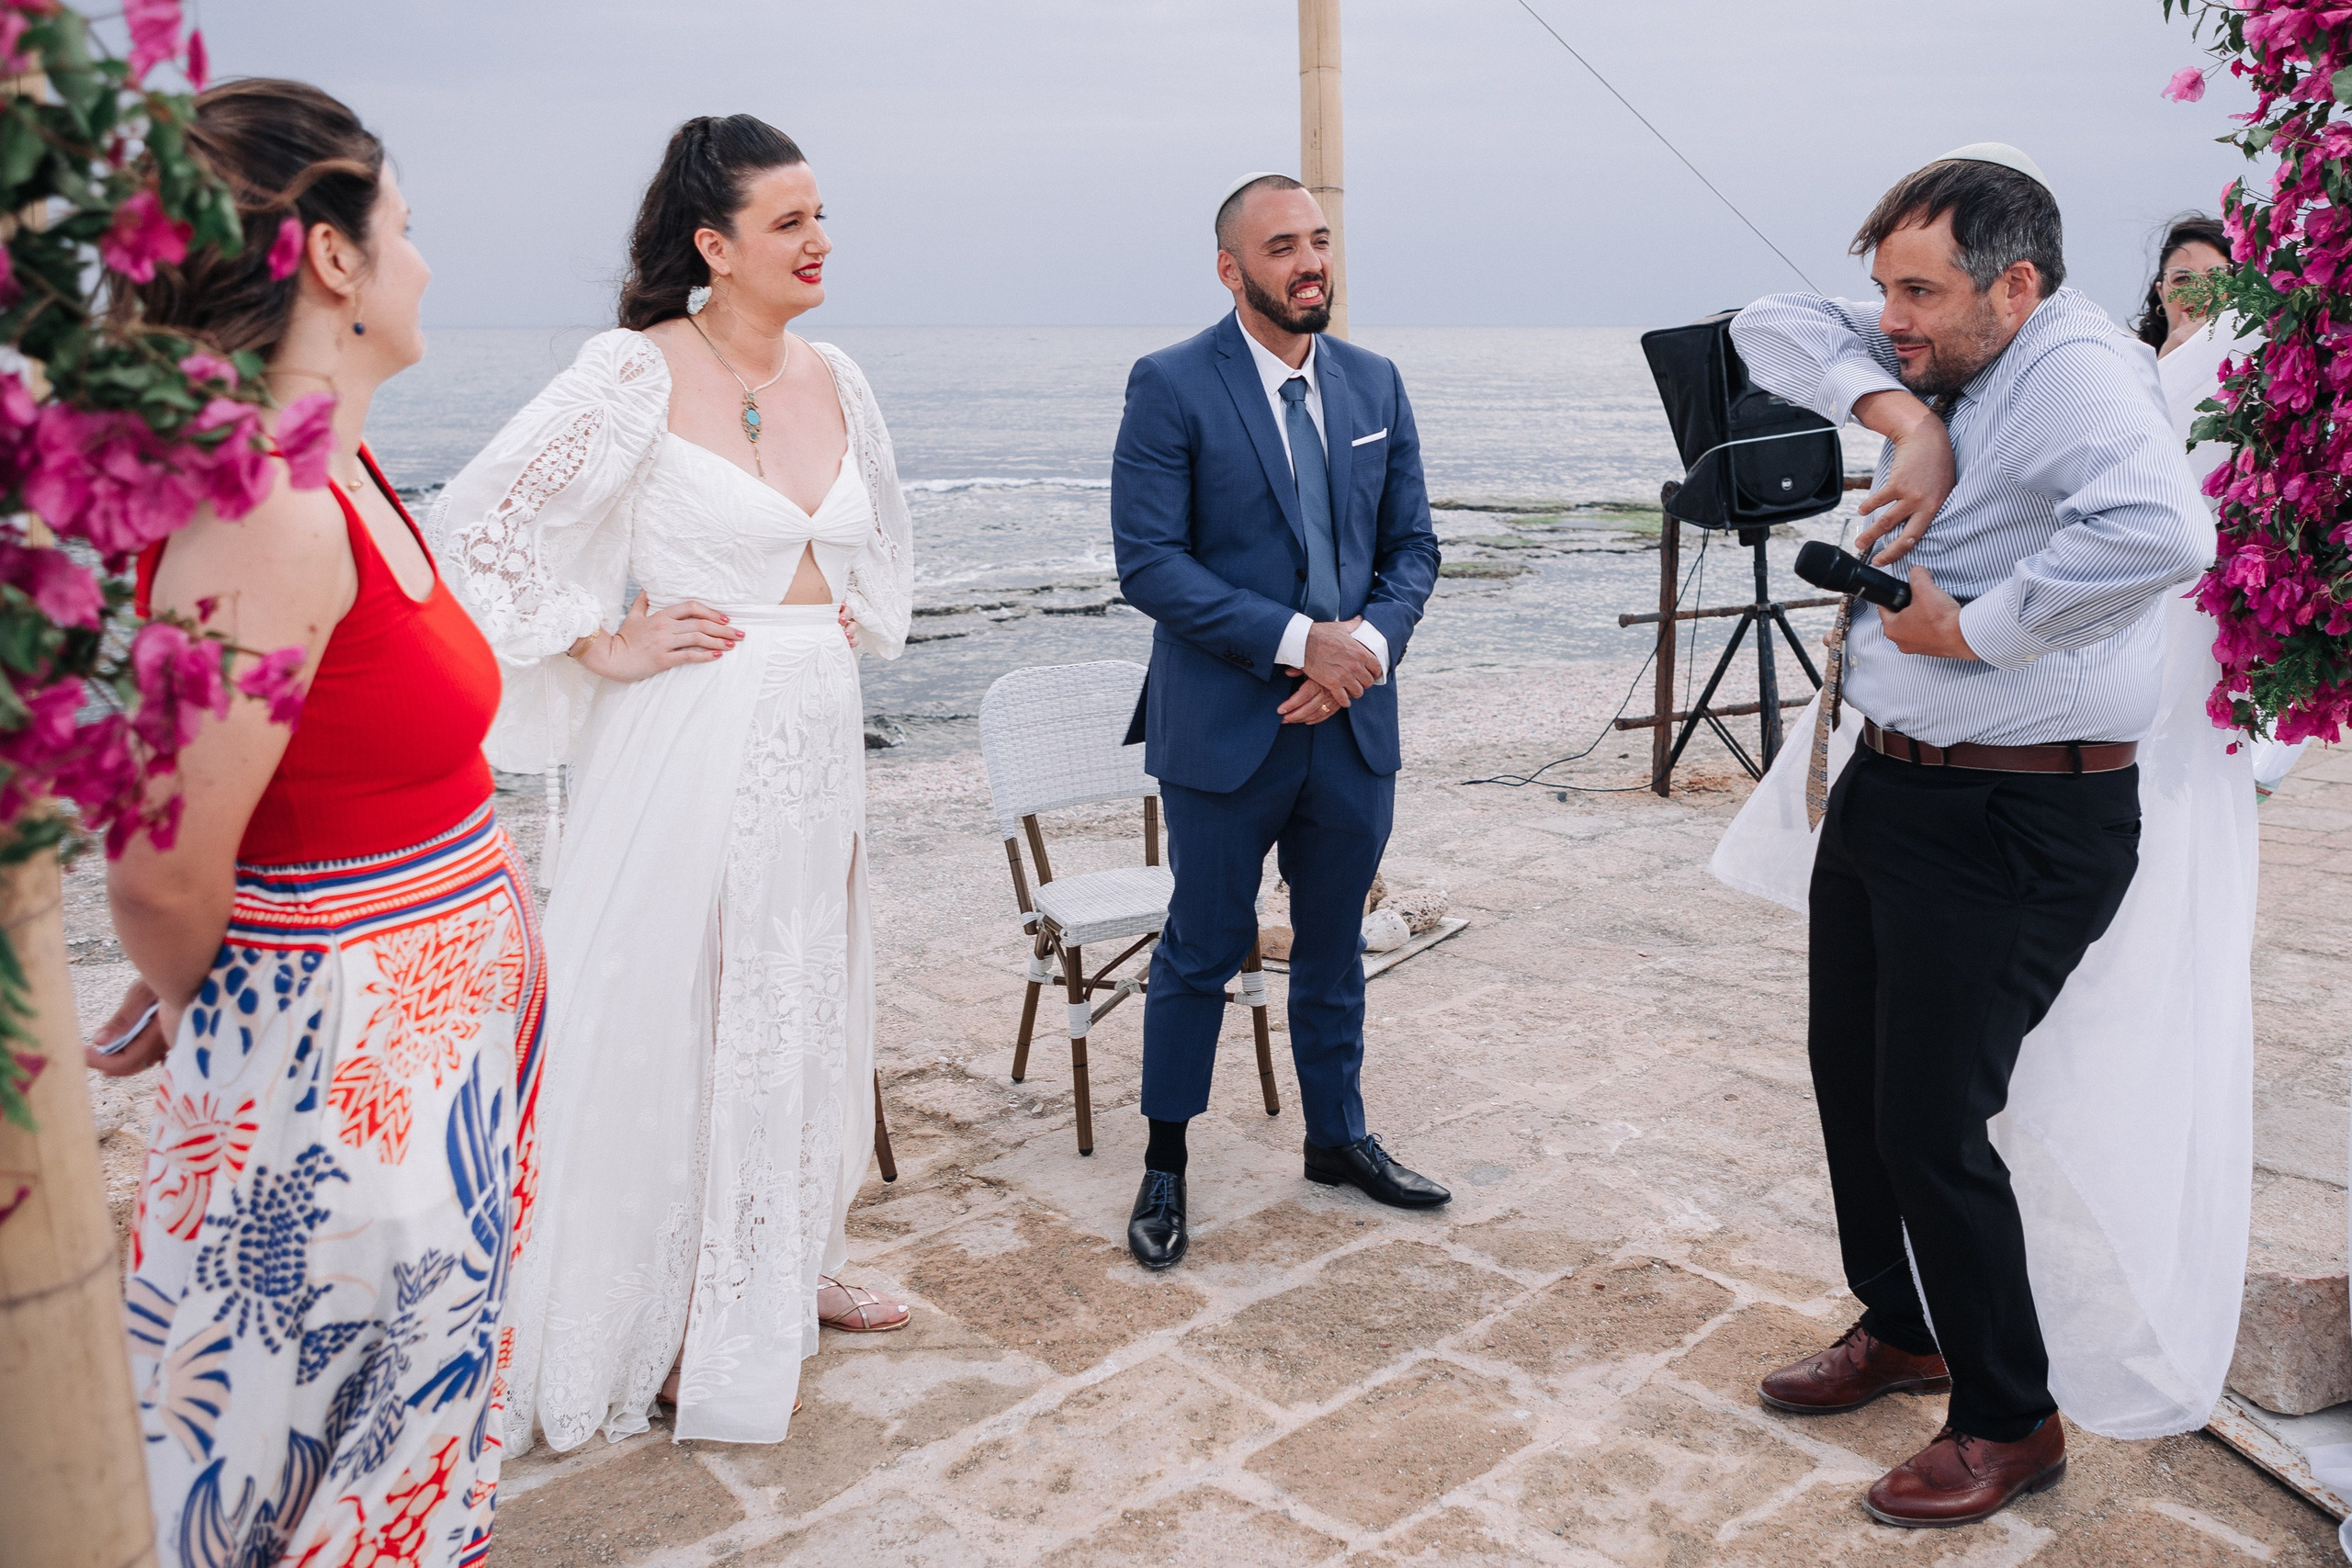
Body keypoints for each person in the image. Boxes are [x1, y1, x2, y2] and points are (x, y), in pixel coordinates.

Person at [1716, 145, 2214, 1528]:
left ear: (2019, 283)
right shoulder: (1942, 356)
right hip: (1897, 786)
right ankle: (1904, 1321)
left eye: (1922, 294)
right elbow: (1766, 320)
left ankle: (2011, 1414)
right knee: (1849, 1074)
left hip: (2019, 807)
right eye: (1887, 288)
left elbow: (2165, 533)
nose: (1897, 317)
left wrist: (1978, 628)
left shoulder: (2079, 376)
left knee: (1934, 1116)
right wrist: (1901, 410)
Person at [90, 80, 544, 1566]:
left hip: (424, 1079)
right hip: (341, 1105)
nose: (422, 263)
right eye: (402, 229)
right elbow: (160, 868)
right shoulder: (270, 517)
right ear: (332, 258)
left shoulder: (346, 471)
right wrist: (200, 1008)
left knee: (400, 1462)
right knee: (316, 1478)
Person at [427, 115, 914, 1451]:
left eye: (822, 215)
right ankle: (676, 1307)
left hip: (814, 731)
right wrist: (600, 637)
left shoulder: (838, 375)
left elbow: (877, 553)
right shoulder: (629, 374)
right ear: (714, 245)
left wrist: (839, 622)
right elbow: (476, 527)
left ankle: (778, 1264)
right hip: (691, 729)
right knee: (681, 1012)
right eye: (789, 222)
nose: (821, 242)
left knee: (802, 999)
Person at [1108, 173, 1444, 1271]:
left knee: (1335, 948)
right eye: (1283, 247)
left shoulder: (1375, 383)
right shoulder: (1169, 386)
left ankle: (1337, 1138)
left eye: (1320, 241)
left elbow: (1413, 553)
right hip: (1223, 729)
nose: (1310, 263)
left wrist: (1364, 656)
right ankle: (1166, 1163)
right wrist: (1306, 645)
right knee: (1200, 950)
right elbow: (1149, 564)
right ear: (1231, 268)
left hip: (1351, 727)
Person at [2139, 213, 2307, 798]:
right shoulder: (2121, 366)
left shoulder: (2254, 383)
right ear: (2161, 290)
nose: (2199, 292)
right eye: (2182, 278)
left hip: (2207, 583)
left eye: (2218, 276)